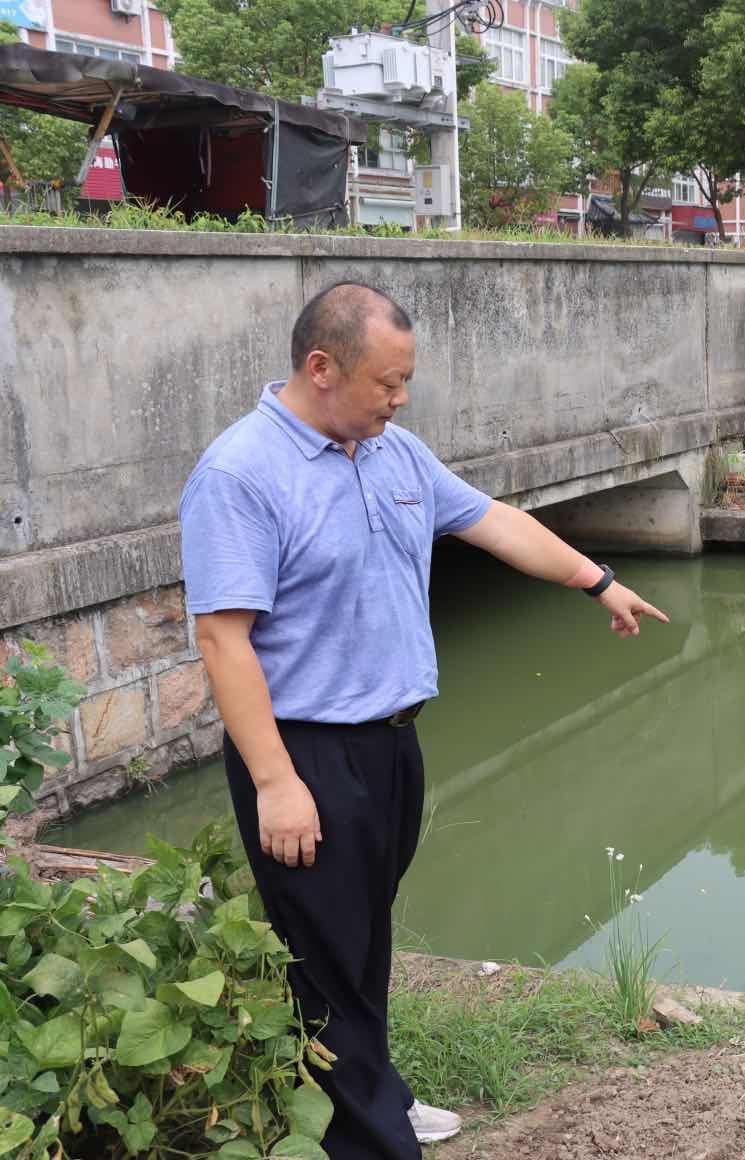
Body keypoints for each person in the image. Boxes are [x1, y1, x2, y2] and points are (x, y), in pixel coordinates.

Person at [179, 282, 670, 1159]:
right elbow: (223, 640)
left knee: (362, 937)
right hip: (306, 755)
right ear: (321, 368)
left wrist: (598, 581)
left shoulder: (393, 452)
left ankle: (374, 1095)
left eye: (406, 382)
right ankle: (370, 1141)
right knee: (326, 958)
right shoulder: (240, 474)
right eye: (388, 382)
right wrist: (276, 783)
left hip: (393, 742)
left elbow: (496, 524)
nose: (400, 398)